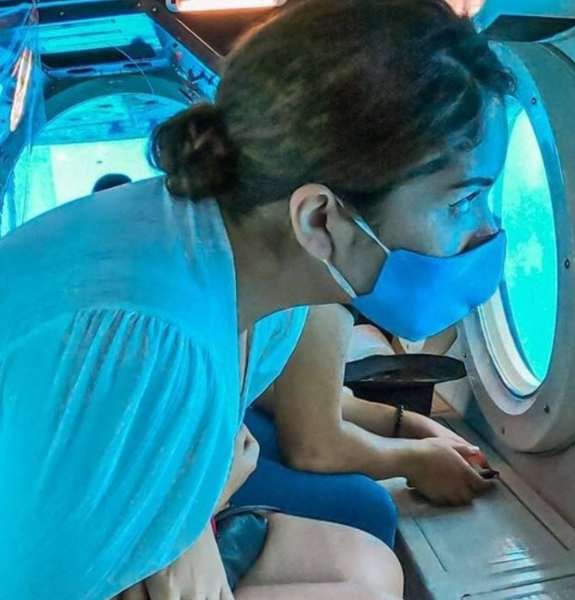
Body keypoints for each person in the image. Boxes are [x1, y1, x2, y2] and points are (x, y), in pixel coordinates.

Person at [0, 0, 514, 597]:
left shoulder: (255, 290)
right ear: (320, 220)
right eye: (461, 203)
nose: (485, 232)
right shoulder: (155, 344)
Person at [231, 304, 494, 549]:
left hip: (237, 411)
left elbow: (280, 391)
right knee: (368, 509)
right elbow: (313, 449)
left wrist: (406, 424)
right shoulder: (326, 279)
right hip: (206, 437)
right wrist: (417, 461)